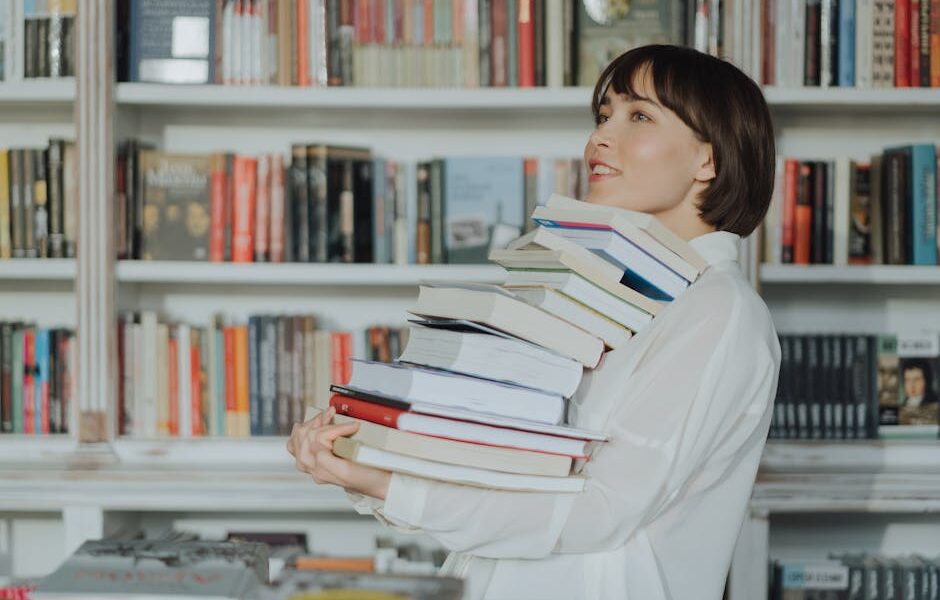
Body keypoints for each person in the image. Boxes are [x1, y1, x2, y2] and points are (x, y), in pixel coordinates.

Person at [287, 44, 781, 600]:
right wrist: (363, 460)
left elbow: (601, 511)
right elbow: (509, 476)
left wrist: (387, 483)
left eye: (638, 115)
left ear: (707, 162)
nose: (601, 137)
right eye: (603, 115)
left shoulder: (719, 310)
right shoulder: (617, 293)